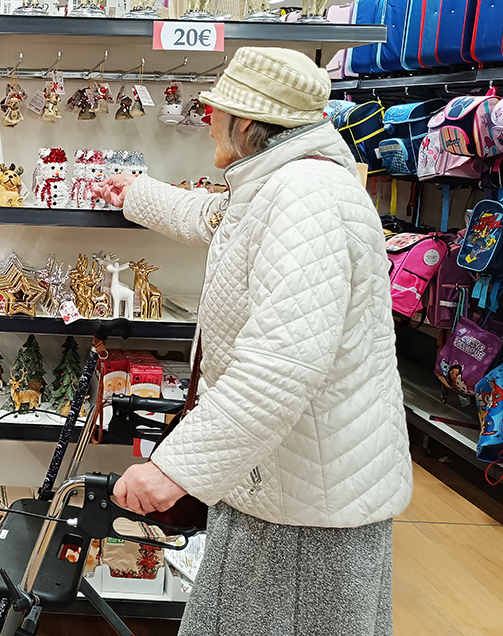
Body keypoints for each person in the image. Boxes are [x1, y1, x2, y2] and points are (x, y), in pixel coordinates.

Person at [96, 46, 412, 636]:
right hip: (292, 482)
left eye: (215, 109)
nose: (207, 118)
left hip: (305, 514)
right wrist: (137, 194)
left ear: (245, 123)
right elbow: (218, 219)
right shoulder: (282, 184)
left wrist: (174, 470)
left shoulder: (304, 197)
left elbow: (279, 363)